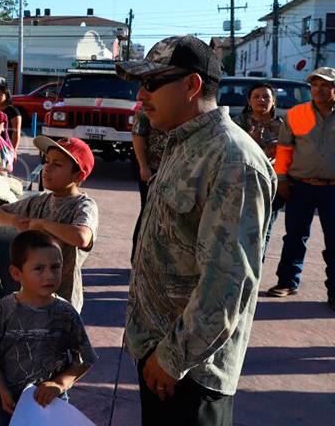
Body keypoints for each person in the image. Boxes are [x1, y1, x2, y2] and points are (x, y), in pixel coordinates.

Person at [116, 35, 274, 426]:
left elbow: (228, 282)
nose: (141, 94)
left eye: (152, 82)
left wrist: (171, 360)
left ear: (192, 85)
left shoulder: (233, 159)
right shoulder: (181, 141)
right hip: (160, 354)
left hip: (190, 371)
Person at [0, 230, 97, 426]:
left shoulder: (66, 314)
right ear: (16, 273)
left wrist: (59, 384)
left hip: (53, 402)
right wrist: (3, 391)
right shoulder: (1, 311)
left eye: (55, 267)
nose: (49, 275)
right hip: (11, 402)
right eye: (39, 268)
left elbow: (84, 360)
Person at [0, 136, 97, 311]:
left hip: (63, 300)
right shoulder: (39, 201)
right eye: (47, 161)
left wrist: (43, 225)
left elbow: (82, 237)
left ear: (78, 175)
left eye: (57, 165)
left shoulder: (83, 205)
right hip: (31, 298)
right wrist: (14, 221)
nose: (47, 168)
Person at [267, 66, 335, 310]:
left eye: (325, 85)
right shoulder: (297, 114)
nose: (319, 89)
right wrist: (282, 179)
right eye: (315, 85)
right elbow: (284, 150)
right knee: (295, 236)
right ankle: (287, 281)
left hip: (333, 189)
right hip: (301, 186)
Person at [232, 82, 284, 262]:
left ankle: (256, 268)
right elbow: (231, 151)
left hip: (270, 186)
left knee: (264, 230)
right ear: (249, 101)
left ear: (273, 101)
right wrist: (250, 142)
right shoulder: (237, 124)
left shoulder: (282, 126)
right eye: (256, 96)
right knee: (238, 229)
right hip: (241, 184)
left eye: (266, 97)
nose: (261, 100)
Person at [131, 110, 169, 259]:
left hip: (175, 168)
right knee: (148, 210)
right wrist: (143, 166)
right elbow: (137, 136)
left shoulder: (183, 108)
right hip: (152, 169)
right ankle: (137, 257)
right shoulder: (146, 110)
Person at [0, 84, 23, 152]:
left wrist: (14, 150)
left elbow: (16, 132)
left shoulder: (13, 111)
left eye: (0, 94)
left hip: (6, 146)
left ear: (6, 96)